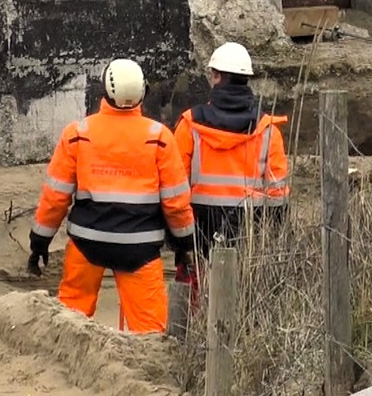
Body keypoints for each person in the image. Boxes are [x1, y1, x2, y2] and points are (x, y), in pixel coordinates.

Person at [27, 58, 195, 334]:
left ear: (104, 90)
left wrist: (39, 242)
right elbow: (176, 204)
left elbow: (55, 198)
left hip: (86, 242)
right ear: (144, 91)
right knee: (151, 334)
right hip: (139, 247)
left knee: (70, 323)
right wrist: (183, 245)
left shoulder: (78, 134)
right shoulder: (160, 137)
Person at [172, 41, 290, 266]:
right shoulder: (267, 130)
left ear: (216, 77)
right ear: (246, 79)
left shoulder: (190, 125)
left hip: (199, 224)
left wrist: (180, 237)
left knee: (198, 291)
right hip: (249, 228)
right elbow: (277, 196)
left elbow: (174, 186)